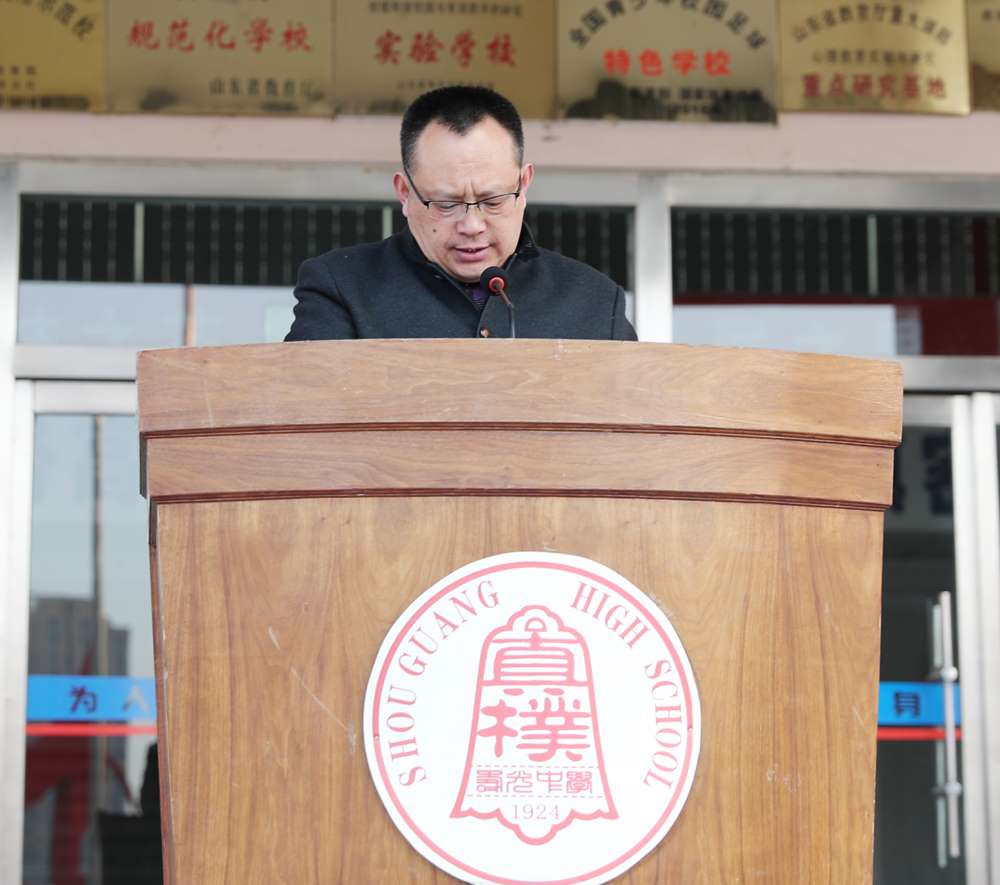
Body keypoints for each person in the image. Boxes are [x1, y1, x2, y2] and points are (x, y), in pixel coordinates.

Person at [285, 86, 637, 341]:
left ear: (524, 184)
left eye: (493, 201)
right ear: (405, 193)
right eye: (446, 204)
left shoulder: (594, 301)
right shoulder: (342, 288)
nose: (471, 226)